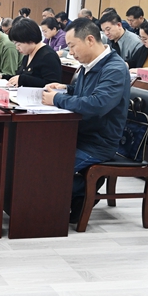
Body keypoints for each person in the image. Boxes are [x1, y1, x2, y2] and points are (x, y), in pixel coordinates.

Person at [41, 18, 130, 223]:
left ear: (90, 40)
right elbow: (85, 94)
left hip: (97, 143)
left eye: (72, 46)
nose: (70, 52)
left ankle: (85, 190)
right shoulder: (88, 64)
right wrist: (66, 89)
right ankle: (77, 196)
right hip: (79, 135)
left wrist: (58, 99)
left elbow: (98, 104)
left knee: (48, 170)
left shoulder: (114, 68)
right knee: (37, 159)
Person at [4, 18, 62, 87]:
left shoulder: (48, 56)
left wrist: (22, 79)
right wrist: (3, 77)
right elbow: (20, 77)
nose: (17, 48)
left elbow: (52, 85)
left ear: (30, 40)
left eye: (18, 44)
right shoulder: (28, 54)